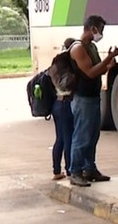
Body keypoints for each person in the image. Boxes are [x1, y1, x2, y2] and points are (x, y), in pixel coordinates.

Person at [68, 16, 118, 187]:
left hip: (93, 96)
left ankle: (89, 168)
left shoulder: (92, 47)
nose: (101, 33)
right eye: (100, 29)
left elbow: (98, 70)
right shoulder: (78, 48)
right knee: (82, 136)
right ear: (92, 28)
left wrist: (108, 64)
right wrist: (108, 58)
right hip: (83, 98)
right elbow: (89, 72)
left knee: (92, 135)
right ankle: (75, 171)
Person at [51, 38, 77, 180]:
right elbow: (68, 84)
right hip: (66, 103)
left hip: (57, 103)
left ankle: (56, 170)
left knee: (60, 138)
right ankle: (69, 170)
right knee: (69, 138)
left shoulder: (56, 63)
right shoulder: (67, 64)